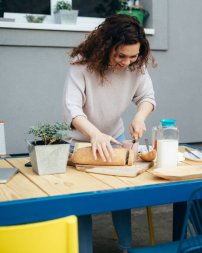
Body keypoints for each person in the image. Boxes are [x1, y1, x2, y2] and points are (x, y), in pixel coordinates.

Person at [62, 14, 156, 253]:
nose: (127, 62)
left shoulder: (137, 64)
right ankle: (83, 249)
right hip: (79, 145)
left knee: (120, 196)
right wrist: (95, 135)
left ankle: (126, 248)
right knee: (82, 200)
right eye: (120, 55)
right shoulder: (82, 65)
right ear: (106, 46)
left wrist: (139, 116)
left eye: (133, 56)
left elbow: (147, 98)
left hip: (114, 141)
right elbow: (71, 110)